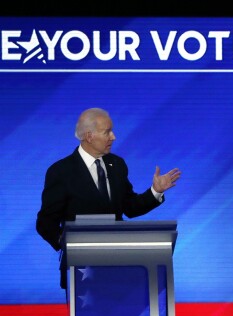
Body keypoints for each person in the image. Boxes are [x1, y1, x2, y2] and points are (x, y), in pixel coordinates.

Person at [36, 107, 181, 289]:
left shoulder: (117, 165)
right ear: (89, 136)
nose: (113, 137)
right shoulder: (61, 171)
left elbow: (129, 207)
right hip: (81, 272)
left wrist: (155, 191)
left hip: (121, 267)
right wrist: (66, 244)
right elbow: (45, 222)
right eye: (107, 132)